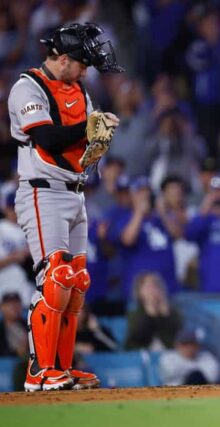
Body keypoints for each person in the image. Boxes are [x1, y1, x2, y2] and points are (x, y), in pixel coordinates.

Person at [7, 23, 123, 391]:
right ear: (63, 58)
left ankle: (61, 367)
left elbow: (80, 145)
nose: (87, 70)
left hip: (75, 191)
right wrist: (87, 129)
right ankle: (39, 371)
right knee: (55, 277)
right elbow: (44, 136)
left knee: (76, 283)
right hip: (42, 191)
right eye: (83, 63)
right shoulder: (28, 86)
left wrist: (97, 145)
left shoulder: (79, 90)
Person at [124, 272, 182, 350]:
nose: (152, 290)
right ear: (140, 292)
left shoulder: (174, 313)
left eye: (156, 286)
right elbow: (138, 339)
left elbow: (175, 342)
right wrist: (150, 314)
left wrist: (165, 316)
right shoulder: (133, 313)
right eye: (148, 287)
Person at [0, 192, 34, 308]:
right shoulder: (2, 228)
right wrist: (15, 257)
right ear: (6, 208)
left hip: (26, 291)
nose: (16, 211)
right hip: (4, 291)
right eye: (13, 208)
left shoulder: (29, 229)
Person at [0, 292, 28, 357]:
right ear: (2, 307)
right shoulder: (1, 329)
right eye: (9, 304)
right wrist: (16, 352)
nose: (14, 307)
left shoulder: (30, 324)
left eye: (17, 303)